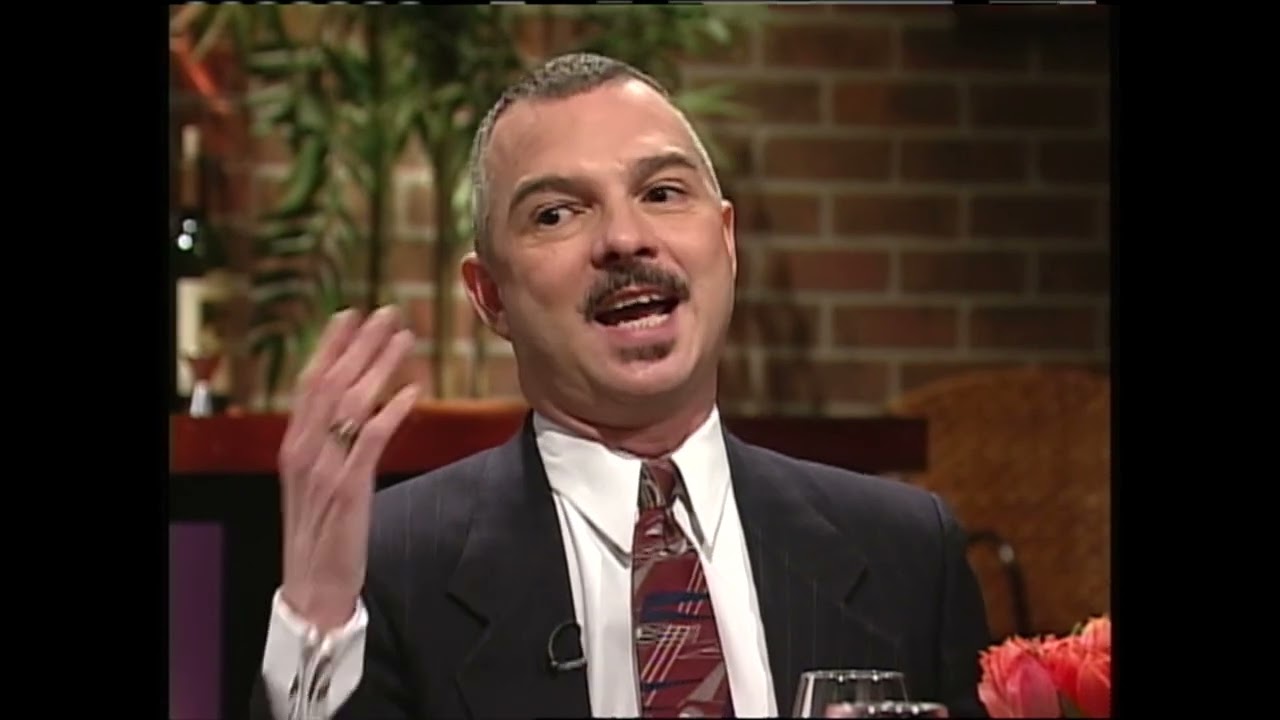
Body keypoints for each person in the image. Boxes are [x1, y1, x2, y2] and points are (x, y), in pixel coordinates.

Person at [249, 52, 991, 720]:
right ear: (490, 296)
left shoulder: (905, 552)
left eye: (662, 192)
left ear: (726, 241)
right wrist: (317, 628)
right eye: (556, 214)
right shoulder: (390, 568)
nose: (625, 239)